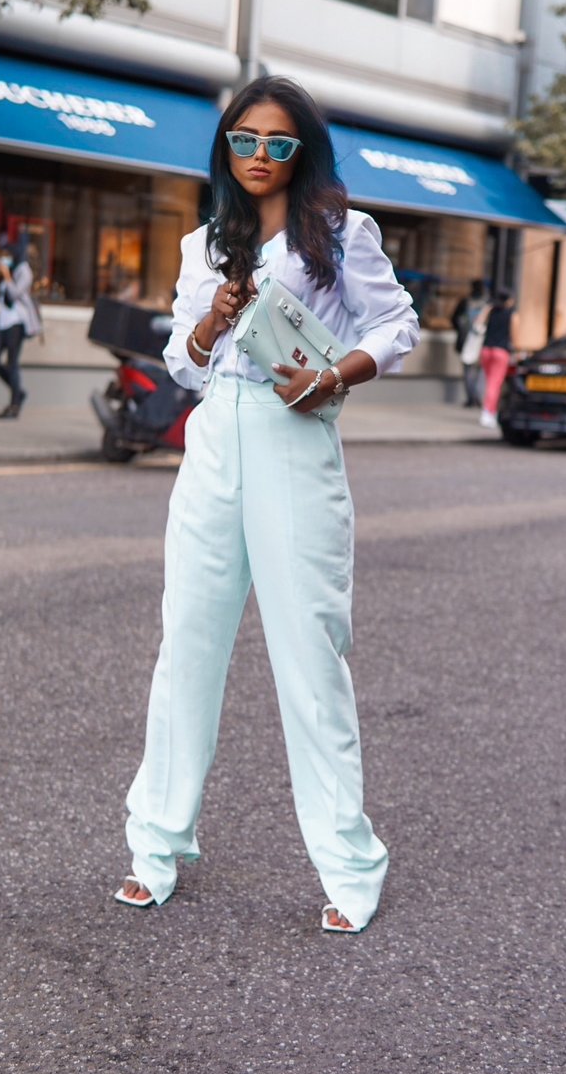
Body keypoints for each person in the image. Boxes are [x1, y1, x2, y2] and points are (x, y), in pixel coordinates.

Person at [115, 75, 419, 933]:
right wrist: (211, 321)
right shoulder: (203, 243)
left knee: (310, 651)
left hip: (295, 435)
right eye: (244, 140)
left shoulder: (340, 233)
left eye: (277, 143)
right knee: (188, 646)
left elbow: (394, 325)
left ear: (301, 151)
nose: (258, 156)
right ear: (225, 146)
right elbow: (182, 358)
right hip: (217, 435)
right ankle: (156, 845)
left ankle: (348, 865)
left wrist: (331, 376)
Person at [0, 241, 41, 418]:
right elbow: (3, 295)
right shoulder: (8, 271)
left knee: (12, 363)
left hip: (17, 322)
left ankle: (14, 405)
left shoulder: (24, 271)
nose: (5, 258)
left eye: (8, 255)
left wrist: (7, 276)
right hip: (2, 320)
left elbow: (15, 293)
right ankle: (18, 392)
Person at [479, 288, 518, 428]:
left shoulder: (491, 311)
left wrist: (488, 308)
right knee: (495, 384)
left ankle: (489, 412)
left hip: (486, 349)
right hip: (501, 352)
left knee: (489, 382)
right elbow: (514, 337)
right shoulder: (512, 315)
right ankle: (488, 413)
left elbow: (478, 324)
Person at [451, 279, 489, 406]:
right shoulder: (487, 304)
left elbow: (454, 319)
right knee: (479, 371)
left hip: (466, 340)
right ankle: (477, 397)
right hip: (481, 341)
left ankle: (471, 398)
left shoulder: (465, 302)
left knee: (468, 370)